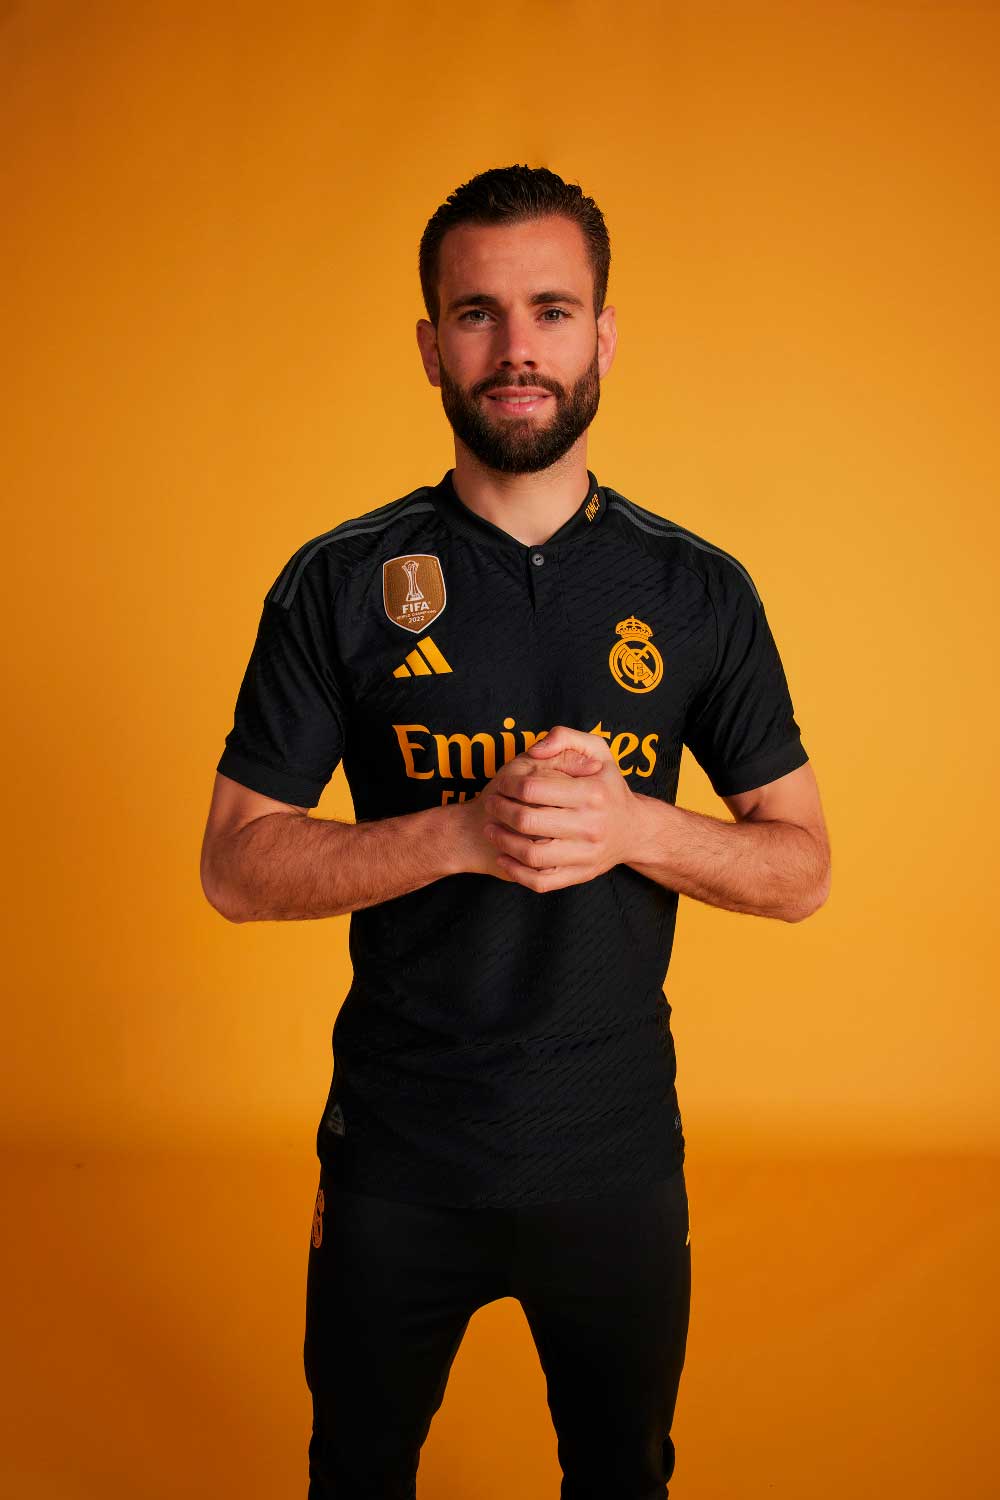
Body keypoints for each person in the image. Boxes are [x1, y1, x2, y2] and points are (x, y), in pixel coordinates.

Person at [200, 163, 831, 1499]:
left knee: (623, 1476)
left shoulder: (697, 588)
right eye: (477, 313)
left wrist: (631, 824)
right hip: (396, 1158)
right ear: (432, 345)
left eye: (552, 309)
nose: (516, 348)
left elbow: (801, 866)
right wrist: (456, 834)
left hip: (614, 1157)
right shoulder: (342, 580)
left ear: (604, 334)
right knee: (355, 1472)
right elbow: (236, 866)